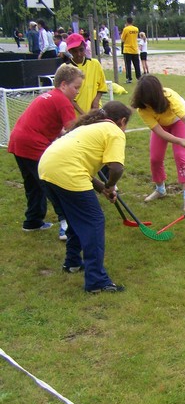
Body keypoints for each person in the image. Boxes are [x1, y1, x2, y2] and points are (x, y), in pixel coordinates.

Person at [38, 101, 131, 294]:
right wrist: (111, 185)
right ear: (122, 121)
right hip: (66, 172)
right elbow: (116, 167)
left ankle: (72, 263)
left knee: (74, 219)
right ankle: (97, 281)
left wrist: (102, 189)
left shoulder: (88, 128)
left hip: (46, 169)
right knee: (94, 222)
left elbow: (80, 166)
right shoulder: (114, 132)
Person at [8, 64, 84, 239]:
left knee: (33, 185)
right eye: (76, 87)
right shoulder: (63, 101)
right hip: (32, 144)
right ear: (63, 84)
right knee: (51, 183)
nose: (77, 92)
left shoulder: (49, 96)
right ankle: (65, 224)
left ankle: (33, 221)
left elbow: (52, 125)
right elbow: (73, 132)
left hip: (18, 142)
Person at [131, 75, 185, 212]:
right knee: (155, 158)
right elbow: (159, 131)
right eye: (145, 101)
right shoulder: (142, 107)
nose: (148, 104)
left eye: (150, 100)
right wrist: (179, 141)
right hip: (162, 127)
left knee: (180, 155)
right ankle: (160, 190)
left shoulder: (169, 96)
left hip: (177, 121)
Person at [66, 33, 108, 116]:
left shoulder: (95, 64)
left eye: (81, 50)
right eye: (75, 51)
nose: (78, 54)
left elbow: (102, 87)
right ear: (70, 51)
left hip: (94, 112)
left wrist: (96, 100)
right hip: (75, 115)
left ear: (85, 48)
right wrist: (84, 115)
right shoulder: (66, 68)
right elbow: (67, 97)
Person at [121, 17, 141, 83]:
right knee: (137, 64)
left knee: (128, 65)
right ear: (132, 22)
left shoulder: (126, 29)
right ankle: (139, 77)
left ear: (127, 22)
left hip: (127, 49)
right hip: (135, 49)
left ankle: (129, 78)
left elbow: (122, 39)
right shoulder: (136, 29)